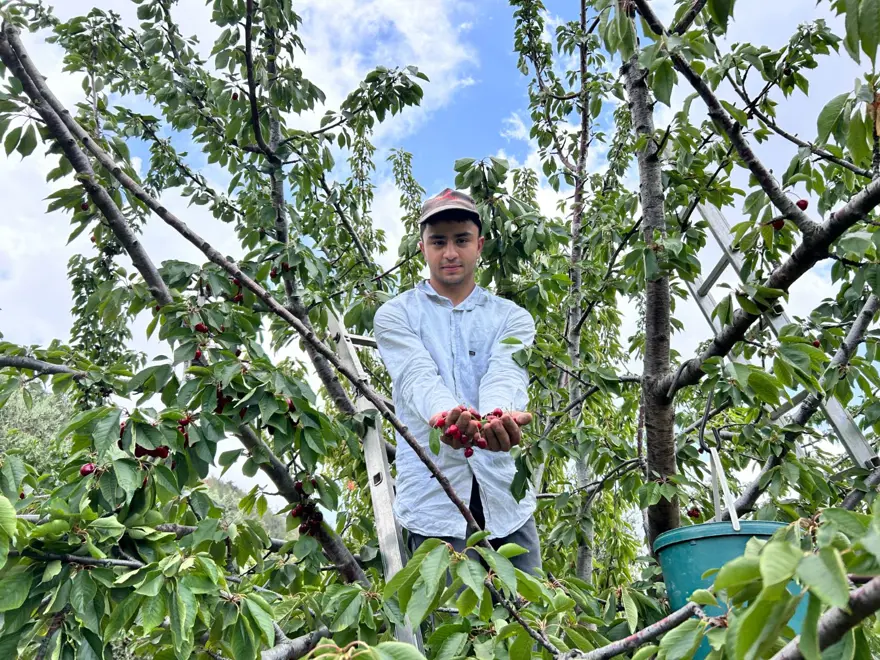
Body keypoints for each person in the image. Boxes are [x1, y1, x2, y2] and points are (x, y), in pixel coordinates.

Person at [373, 187, 541, 576]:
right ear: (422, 248)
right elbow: (416, 374)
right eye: (439, 242)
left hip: (505, 495)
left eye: (461, 240)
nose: (450, 253)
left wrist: (498, 417)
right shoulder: (394, 315)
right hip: (435, 502)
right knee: (457, 621)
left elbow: (506, 372)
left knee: (533, 620)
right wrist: (446, 417)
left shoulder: (512, 318)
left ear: (479, 245)